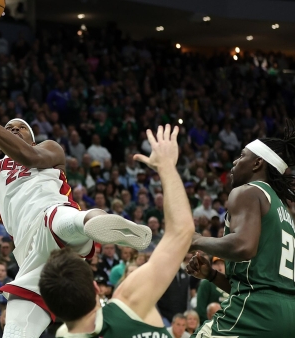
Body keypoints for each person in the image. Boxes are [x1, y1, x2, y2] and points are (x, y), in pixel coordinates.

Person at [0, 24, 151, 338]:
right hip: (30, 252)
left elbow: (26, 156)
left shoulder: (50, 149)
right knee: (16, 328)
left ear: (32, 136)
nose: (13, 129)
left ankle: (112, 227)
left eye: (20, 128)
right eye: (9, 127)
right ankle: (100, 227)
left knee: (72, 220)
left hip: (52, 217)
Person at [40, 125, 195, 337]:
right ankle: (85, 218)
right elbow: (181, 231)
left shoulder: (64, 335)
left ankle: (81, 220)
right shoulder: (129, 301)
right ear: (95, 288)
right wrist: (166, 165)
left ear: (53, 312)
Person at [187, 121, 295, 338]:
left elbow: (243, 247)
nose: (235, 162)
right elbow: (259, 283)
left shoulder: (248, 191)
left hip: (258, 312)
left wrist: (196, 240)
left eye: (241, 156)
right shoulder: (282, 209)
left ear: (257, 163)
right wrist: (211, 275)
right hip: (291, 315)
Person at [195, 257, 229, 323]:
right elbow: (201, 308)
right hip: (211, 324)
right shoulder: (206, 283)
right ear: (211, 266)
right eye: (217, 264)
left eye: (222, 264)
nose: (220, 266)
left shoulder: (231, 282)